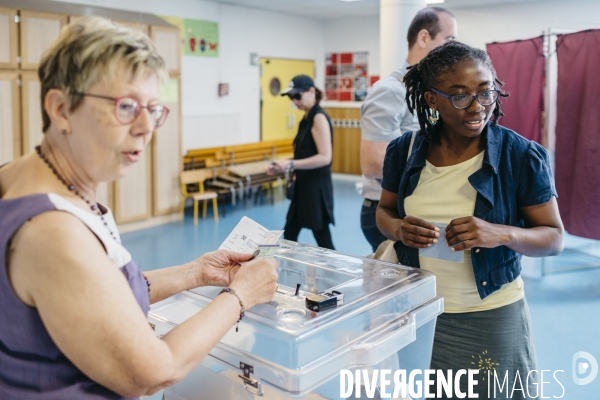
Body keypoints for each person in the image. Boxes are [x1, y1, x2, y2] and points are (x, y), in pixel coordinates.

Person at [0, 17, 278, 399]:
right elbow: (154, 371)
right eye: (127, 106)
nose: (147, 126)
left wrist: (195, 271)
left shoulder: (31, 180)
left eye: (153, 108)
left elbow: (99, 294)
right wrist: (241, 295)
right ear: (61, 108)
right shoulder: (52, 233)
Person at [376, 41, 564, 398]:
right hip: (422, 315)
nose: (477, 107)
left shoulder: (520, 155)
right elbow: (383, 213)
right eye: (459, 96)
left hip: (491, 315)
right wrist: (399, 229)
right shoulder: (404, 150)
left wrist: (502, 233)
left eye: (485, 91)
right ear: (431, 99)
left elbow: (554, 238)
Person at [359, 7, 457, 252]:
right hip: (388, 212)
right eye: (448, 41)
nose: (453, 51)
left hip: (419, 207)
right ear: (424, 38)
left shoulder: (432, 93)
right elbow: (372, 163)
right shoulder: (391, 90)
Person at [266, 75, 335, 250]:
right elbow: (304, 153)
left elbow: (325, 157)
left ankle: (333, 270)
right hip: (302, 187)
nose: (294, 101)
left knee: (323, 239)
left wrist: (292, 165)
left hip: (315, 189)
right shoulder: (305, 119)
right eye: (291, 97)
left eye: (297, 95)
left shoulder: (318, 117)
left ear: (311, 92)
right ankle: (279, 269)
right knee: (289, 233)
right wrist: (284, 163)